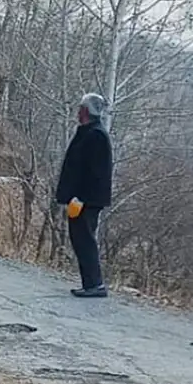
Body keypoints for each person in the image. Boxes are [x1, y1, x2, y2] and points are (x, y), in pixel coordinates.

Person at [56, 93, 114, 298]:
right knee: (80, 238)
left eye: (80, 107)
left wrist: (81, 197)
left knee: (85, 239)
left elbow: (97, 173)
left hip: (86, 200)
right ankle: (89, 283)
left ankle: (95, 284)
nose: (77, 111)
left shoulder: (96, 135)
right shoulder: (88, 132)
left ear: (86, 111)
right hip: (81, 198)